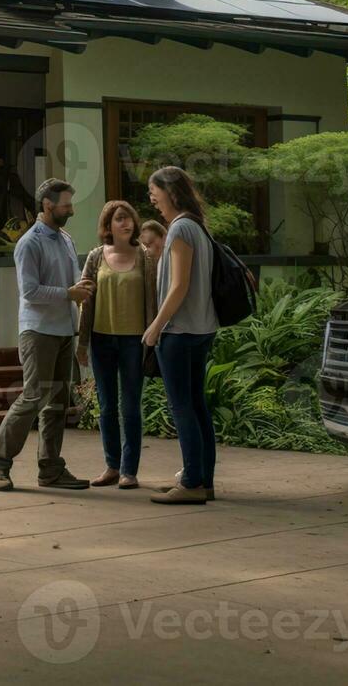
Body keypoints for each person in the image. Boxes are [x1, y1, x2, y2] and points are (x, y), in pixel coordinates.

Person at [0, 178, 95, 491]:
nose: (71, 209)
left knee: (58, 403)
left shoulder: (65, 239)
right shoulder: (29, 242)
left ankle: (50, 469)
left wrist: (83, 288)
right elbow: (30, 291)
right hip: (38, 332)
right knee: (34, 396)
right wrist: (68, 293)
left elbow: (73, 282)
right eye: (66, 204)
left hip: (64, 331)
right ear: (48, 204)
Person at [143, 166, 220, 506]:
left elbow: (179, 286)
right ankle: (203, 480)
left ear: (171, 192)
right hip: (201, 329)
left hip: (180, 332)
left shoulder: (180, 230)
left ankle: (191, 482)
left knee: (183, 407)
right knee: (197, 406)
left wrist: (156, 325)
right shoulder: (197, 227)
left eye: (154, 193)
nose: (152, 200)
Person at [75, 200, 157, 489]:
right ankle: (111, 466)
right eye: (118, 219)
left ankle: (129, 471)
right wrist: (82, 343)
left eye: (129, 219)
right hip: (101, 339)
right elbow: (84, 300)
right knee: (107, 406)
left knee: (131, 406)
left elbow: (154, 300)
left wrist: (153, 336)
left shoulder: (144, 256)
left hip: (135, 341)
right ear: (107, 226)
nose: (125, 224)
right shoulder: (97, 257)